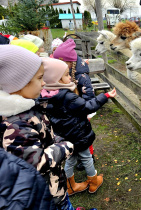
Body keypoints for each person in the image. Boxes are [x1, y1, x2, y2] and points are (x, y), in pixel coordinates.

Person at [0, 45, 75, 209]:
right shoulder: (16, 124)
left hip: (54, 185)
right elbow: (36, 163)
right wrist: (65, 146)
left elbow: (43, 137)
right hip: (45, 195)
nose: (43, 82)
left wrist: (56, 140)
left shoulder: (26, 109)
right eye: (39, 78)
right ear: (18, 83)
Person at [39, 58, 117, 196]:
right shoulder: (67, 96)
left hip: (64, 135)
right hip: (78, 134)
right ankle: (93, 182)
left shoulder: (45, 96)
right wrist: (105, 96)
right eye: (67, 75)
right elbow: (88, 106)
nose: (70, 77)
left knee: (71, 159)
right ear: (57, 79)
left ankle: (70, 186)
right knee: (86, 157)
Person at [53, 38, 97, 171]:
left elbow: (89, 94)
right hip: (74, 109)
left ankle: (89, 156)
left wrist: (87, 111)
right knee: (76, 133)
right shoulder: (67, 72)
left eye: (60, 62)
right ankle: (80, 154)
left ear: (68, 62)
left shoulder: (81, 76)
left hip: (83, 109)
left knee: (84, 134)